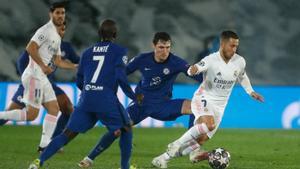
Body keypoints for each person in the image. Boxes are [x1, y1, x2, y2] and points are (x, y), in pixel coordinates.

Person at [78, 31, 203, 168]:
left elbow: (194, 75)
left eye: (168, 47)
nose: (165, 51)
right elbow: (122, 73)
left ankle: (193, 150)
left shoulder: (176, 62)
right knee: (118, 129)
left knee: (195, 107)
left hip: (163, 105)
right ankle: (89, 159)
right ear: (154, 46)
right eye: (161, 47)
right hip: (141, 104)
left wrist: (212, 82)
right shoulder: (142, 59)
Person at [28, 19, 137, 169]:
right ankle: (124, 167)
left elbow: (79, 79)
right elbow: (121, 76)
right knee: (126, 128)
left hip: (86, 99)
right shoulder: (120, 51)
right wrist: (133, 96)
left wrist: (89, 91)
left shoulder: (87, 52)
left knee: (67, 133)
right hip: (106, 99)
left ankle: (38, 162)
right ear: (115, 34)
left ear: (99, 34)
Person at [151, 30, 264, 168]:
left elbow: (242, 76)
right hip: (204, 98)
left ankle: (163, 158)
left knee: (200, 140)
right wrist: (192, 70)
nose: (234, 49)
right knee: (208, 125)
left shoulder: (240, 61)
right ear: (222, 44)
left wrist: (250, 91)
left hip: (220, 106)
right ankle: (176, 143)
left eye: (236, 46)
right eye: (231, 45)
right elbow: (197, 67)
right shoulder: (211, 59)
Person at [0, 2, 76, 151]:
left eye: (63, 14)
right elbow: (29, 48)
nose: (61, 18)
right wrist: (41, 65)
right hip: (34, 77)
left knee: (54, 108)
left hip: (43, 79)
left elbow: (58, 61)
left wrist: (75, 66)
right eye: (58, 13)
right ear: (51, 14)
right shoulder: (45, 30)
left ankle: (45, 146)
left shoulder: (57, 39)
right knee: (31, 115)